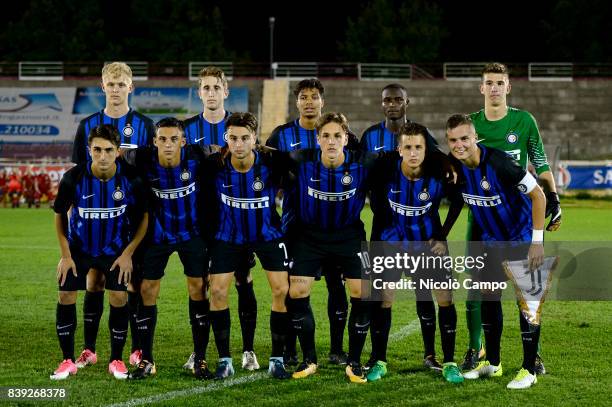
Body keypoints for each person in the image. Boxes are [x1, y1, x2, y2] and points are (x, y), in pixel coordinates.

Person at [461, 62, 561, 373]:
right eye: (488, 83)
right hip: (480, 218)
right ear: (481, 88)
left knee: (527, 289)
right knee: (477, 288)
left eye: (499, 82)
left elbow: (541, 165)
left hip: (517, 218)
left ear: (508, 87)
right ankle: (476, 349)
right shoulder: (471, 125)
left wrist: (554, 199)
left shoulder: (523, 121)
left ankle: (534, 356)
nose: (493, 88)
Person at [446, 114, 546, 389]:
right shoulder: (452, 167)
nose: (459, 145)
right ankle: (493, 363)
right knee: (490, 300)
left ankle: (528, 369)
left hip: (522, 240)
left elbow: (539, 195)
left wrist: (537, 242)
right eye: (453, 140)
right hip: (491, 243)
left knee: (527, 304)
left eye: (465, 138)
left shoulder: (500, 163)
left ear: (475, 137)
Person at [71, 62, 155, 370]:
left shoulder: (146, 126)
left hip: (132, 217)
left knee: (131, 282)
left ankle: (134, 348)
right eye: (111, 84)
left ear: (131, 87)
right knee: (94, 281)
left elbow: (149, 174)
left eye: (122, 84)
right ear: (102, 87)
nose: (116, 89)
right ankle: (89, 349)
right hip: (95, 219)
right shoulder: (87, 124)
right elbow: (77, 174)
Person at [365, 122, 464, 384]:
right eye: (407, 147)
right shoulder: (386, 172)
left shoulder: (437, 175)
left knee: (445, 298)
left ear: (426, 150)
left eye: (418, 147)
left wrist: (442, 234)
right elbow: (374, 198)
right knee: (384, 299)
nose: (413, 152)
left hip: (427, 245)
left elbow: (459, 198)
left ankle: (450, 362)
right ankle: (379, 360)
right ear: (399, 149)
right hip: (393, 244)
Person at [267, 79, 356, 366]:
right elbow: (268, 171)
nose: (308, 101)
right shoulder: (282, 135)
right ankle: (292, 348)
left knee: (336, 285)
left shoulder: (341, 135)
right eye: (303, 97)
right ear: (296, 102)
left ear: (322, 101)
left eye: (314, 96)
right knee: (295, 286)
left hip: (336, 224)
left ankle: (337, 348)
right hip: (296, 224)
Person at [286, 112, 379, 383]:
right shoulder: (301, 160)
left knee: (364, 291)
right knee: (297, 291)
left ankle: (354, 361)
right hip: (309, 238)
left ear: (346, 138)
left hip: (350, 236)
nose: (331, 141)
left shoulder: (364, 163)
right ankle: (309, 358)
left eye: (337, 135)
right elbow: (269, 156)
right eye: (325, 135)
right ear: (317, 139)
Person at [50, 124, 148, 380]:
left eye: (108, 150)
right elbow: (60, 214)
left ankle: (116, 359)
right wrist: (65, 254)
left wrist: (128, 254)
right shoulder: (74, 178)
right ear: (88, 150)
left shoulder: (131, 178)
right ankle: (67, 360)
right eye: (97, 150)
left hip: (115, 251)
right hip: (79, 249)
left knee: (118, 297)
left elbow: (143, 219)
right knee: (65, 294)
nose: (102, 155)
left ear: (117, 151)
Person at [124, 118, 215, 380]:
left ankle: (200, 359)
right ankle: (147, 360)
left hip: (192, 234)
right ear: (154, 141)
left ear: (183, 141)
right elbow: (115, 153)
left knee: (198, 289)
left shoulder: (198, 156)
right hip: (157, 236)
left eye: (174, 139)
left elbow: (225, 150)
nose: (168, 144)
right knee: (147, 290)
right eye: (162, 139)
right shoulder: (142, 159)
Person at [182, 66, 260, 372]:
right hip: (202, 222)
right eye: (206, 88)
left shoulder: (240, 126)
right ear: (199, 92)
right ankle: (198, 350)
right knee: (200, 286)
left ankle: (248, 349)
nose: (211, 93)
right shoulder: (187, 129)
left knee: (243, 280)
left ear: (226, 91)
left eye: (217, 87)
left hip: (238, 220)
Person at [206, 112, 292, 380]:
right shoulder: (214, 165)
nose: (239, 144)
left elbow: (295, 184)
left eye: (245, 138)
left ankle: (277, 359)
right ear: (226, 139)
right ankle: (225, 360)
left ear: (254, 139)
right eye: (233, 138)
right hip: (228, 236)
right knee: (218, 291)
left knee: (281, 290)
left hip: (267, 234)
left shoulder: (273, 161)